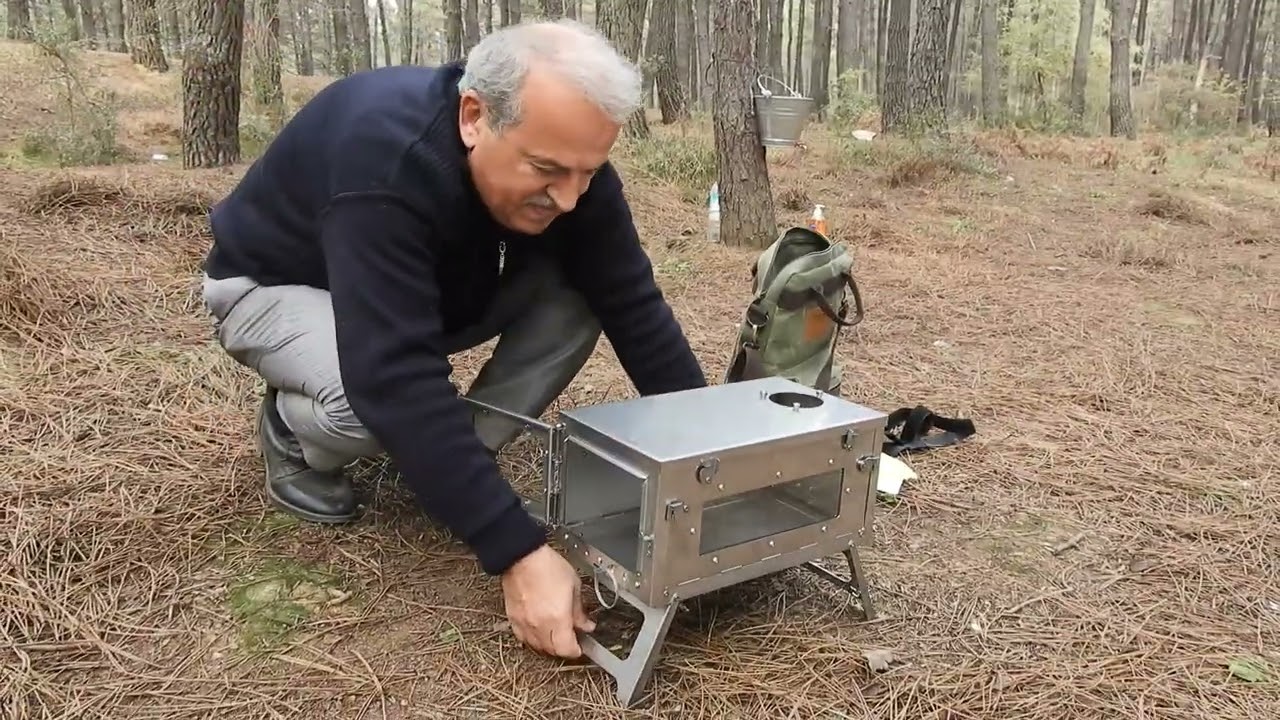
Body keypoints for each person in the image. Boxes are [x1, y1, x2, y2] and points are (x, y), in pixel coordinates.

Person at [198, 20, 708, 660]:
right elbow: (393, 376)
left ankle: (453, 459)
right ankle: (292, 433)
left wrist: (708, 454)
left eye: (589, 172)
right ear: (475, 117)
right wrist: (517, 551)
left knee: (583, 294)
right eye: (547, 170)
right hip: (274, 288)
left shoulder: (570, 165)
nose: (571, 197)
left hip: (413, 296)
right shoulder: (385, 155)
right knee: (368, 403)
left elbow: (632, 303)